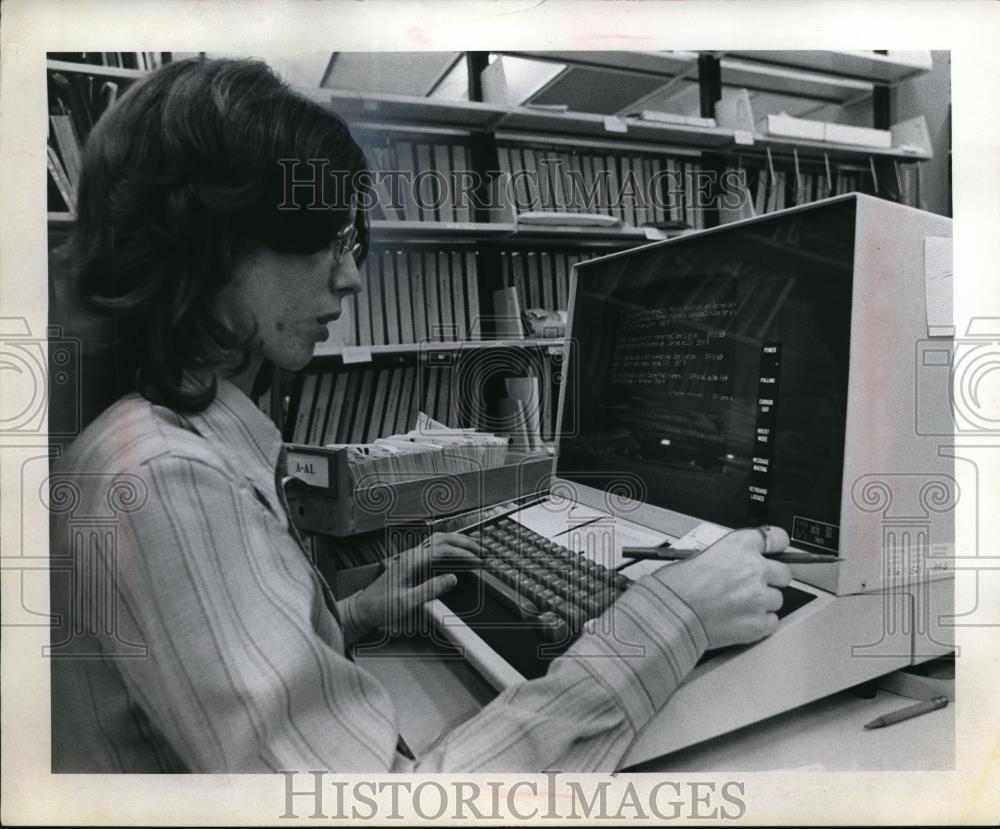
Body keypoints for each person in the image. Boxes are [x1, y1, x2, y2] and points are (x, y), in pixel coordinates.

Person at [49, 56, 793, 773]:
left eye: (351, 239)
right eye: (322, 238)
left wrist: (354, 612)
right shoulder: (167, 480)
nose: (352, 275)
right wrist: (670, 618)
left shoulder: (148, 438)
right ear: (205, 243)